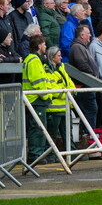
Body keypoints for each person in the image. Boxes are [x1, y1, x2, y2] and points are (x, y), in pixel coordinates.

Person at [22, 34, 52, 164]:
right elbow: (38, 82)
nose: (45, 46)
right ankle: (35, 155)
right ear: (39, 46)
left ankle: (37, 154)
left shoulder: (33, 59)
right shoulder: (34, 60)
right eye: (44, 44)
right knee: (37, 128)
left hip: (34, 98)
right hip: (36, 99)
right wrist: (47, 95)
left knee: (38, 127)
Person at [45, 47, 75, 151]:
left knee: (68, 135)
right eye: (59, 56)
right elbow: (53, 89)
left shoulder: (61, 67)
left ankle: (72, 154)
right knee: (52, 136)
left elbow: (70, 83)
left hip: (66, 108)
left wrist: (69, 91)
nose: (61, 57)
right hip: (54, 110)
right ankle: (50, 155)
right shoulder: (47, 70)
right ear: (52, 58)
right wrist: (68, 93)